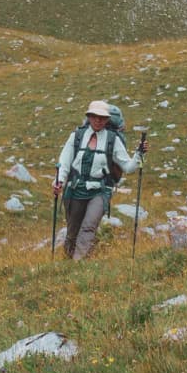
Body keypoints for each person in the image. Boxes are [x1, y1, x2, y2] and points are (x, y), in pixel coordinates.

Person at [53, 100, 148, 260]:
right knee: (72, 231)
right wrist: (59, 181)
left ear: (107, 119)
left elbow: (128, 167)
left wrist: (139, 154)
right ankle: (67, 262)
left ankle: (78, 263)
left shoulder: (113, 139)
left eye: (102, 117)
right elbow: (64, 161)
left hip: (100, 191)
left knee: (89, 227)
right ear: (89, 117)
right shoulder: (76, 136)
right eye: (95, 116)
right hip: (75, 189)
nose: (98, 120)